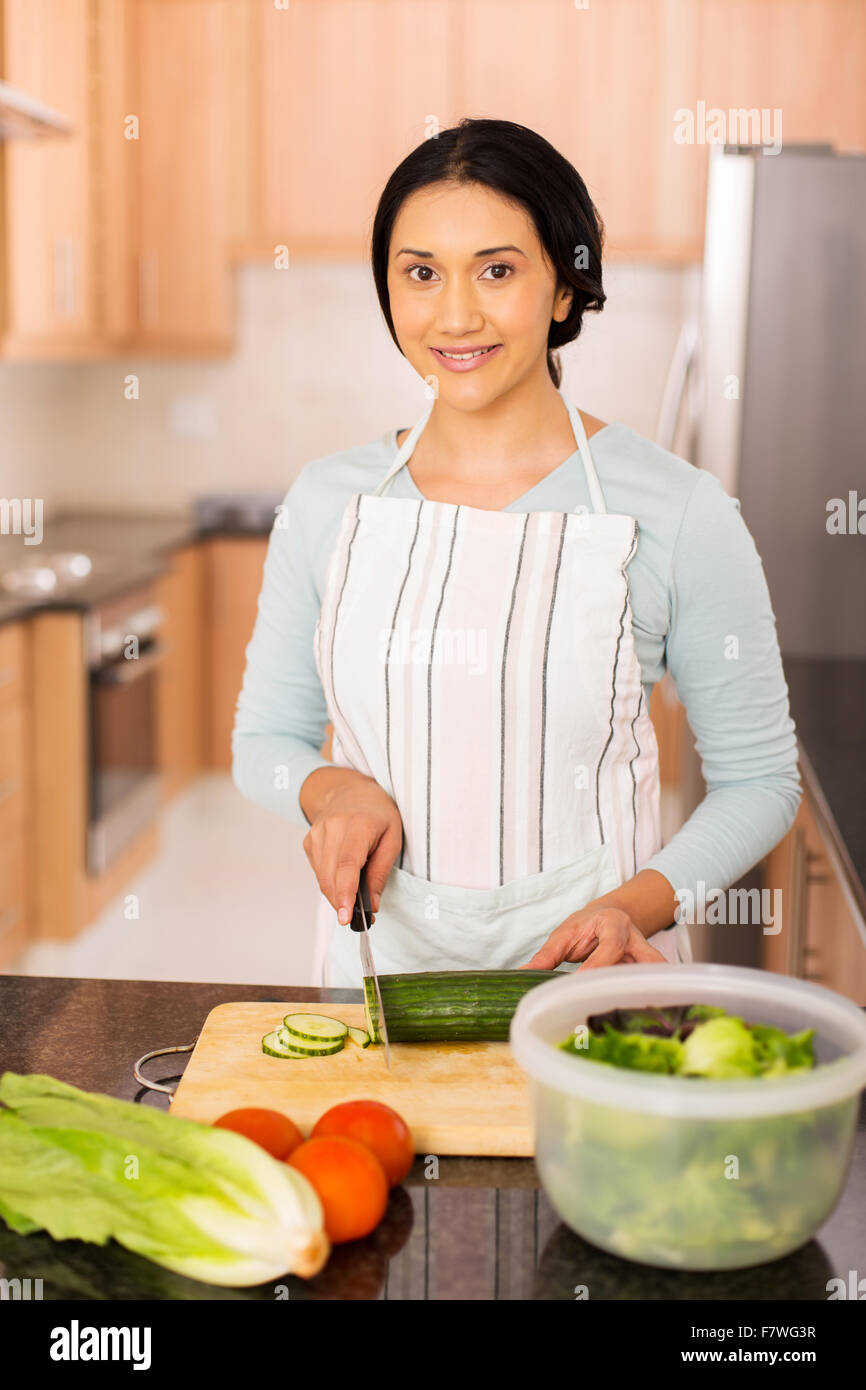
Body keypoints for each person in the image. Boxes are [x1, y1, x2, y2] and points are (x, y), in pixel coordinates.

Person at [232, 118, 801, 988]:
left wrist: (634, 905)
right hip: (376, 991)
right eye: (421, 273)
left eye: (497, 270)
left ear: (564, 290)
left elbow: (760, 782)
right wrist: (334, 791)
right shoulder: (327, 503)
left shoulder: (680, 512)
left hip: (597, 993)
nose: (455, 316)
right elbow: (264, 740)